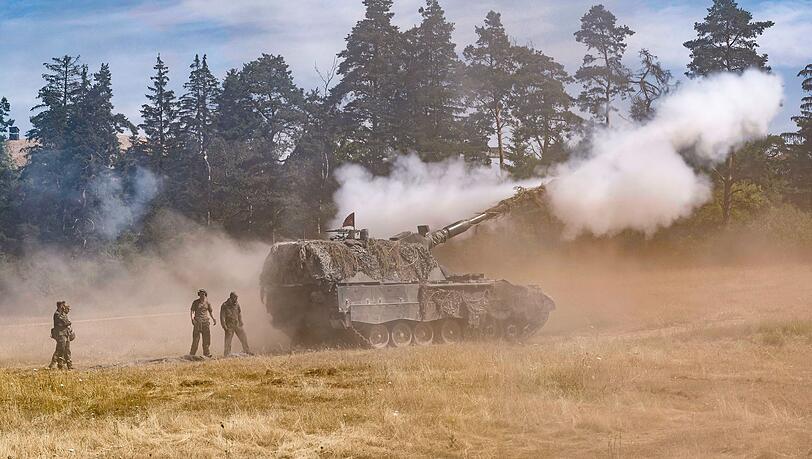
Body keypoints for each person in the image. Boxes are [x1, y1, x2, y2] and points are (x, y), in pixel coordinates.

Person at [220, 292, 252, 356]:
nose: (236, 299)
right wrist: (224, 325)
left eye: (237, 297)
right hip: (229, 325)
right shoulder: (225, 305)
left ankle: (247, 351)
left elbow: (239, 313)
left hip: (237, 324)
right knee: (228, 340)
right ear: (232, 297)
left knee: (243, 337)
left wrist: (241, 321)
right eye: (235, 297)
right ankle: (227, 354)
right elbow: (222, 316)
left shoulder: (237, 304)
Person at [189, 289, 216, 357]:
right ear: (199, 295)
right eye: (200, 294)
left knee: (206, 339)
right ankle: (192, 354)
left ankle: (207, 354)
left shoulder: (208, 303)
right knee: (196, 339)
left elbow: (210, 312)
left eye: (203, 294)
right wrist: (192, 319)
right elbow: (192, 311)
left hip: (205, 322)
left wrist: (213, 319)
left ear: (205, 295)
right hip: (198, 322)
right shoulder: (195, 302)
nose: (202, 295)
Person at [48, 301, 74, 370]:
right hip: (60, 334)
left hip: (66, 333)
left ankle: (69, 365)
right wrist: (68, 322)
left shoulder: (63, 314)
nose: (64, 307)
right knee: (60, 349)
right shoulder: (57, 314)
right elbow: (65, 322)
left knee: (67, 350)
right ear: (61, 306)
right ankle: (54, 364)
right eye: (63, 306)